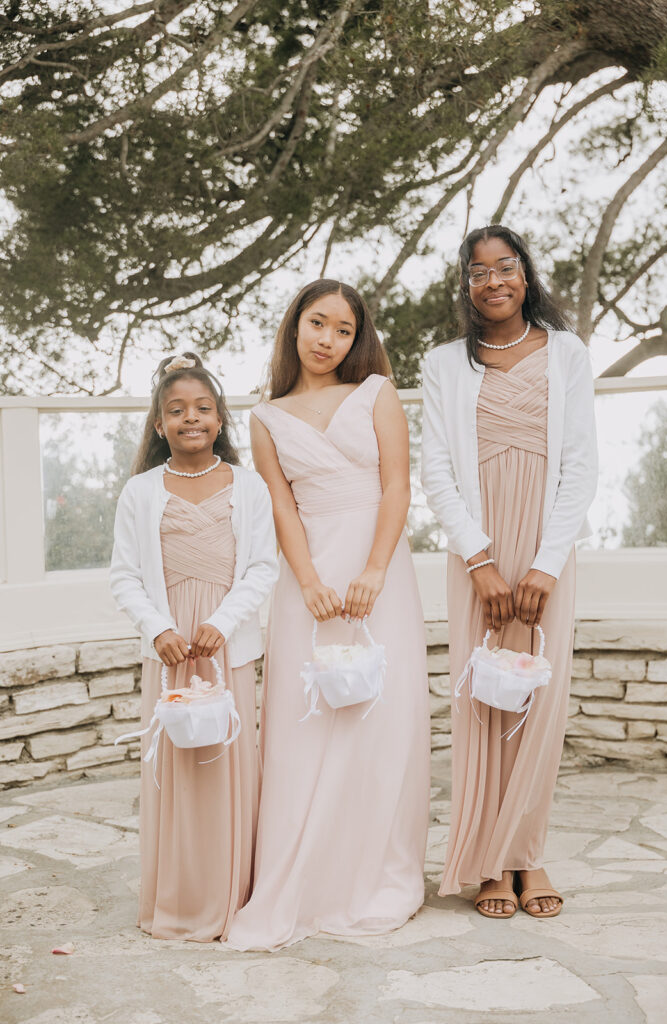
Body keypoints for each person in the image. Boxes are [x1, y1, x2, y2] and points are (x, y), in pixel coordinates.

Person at [227, 280, 431, 951]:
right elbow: (279, 507)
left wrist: (373, 569)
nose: (327, 340)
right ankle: (303, 878)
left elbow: (397, 484)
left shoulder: (376, 395)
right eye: (317, 323)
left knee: (380, 717)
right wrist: (308, 579)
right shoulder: (265, 417)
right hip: (307, 578)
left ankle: (372, 876)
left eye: (343, 330)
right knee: (305, 719)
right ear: (294, 326)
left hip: (379, 569)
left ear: (357, 338)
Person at [421, 226, 598, 919]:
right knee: (484, 699)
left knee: (539, 703)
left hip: (547, 544)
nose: (493, 280)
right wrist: (480, 560)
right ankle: (488, 863)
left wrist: (546, 564)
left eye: (505, 266)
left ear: (525, 275)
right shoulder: (443, 364)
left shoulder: (568, 354)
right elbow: (436, 469)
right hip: (478, 550)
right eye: (477, 271)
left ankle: (527, 853)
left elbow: (580, 464)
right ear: (464, 287)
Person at [110, 353, 278, 941]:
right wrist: (158, 629)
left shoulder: (249, 485)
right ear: (159, 424)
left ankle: (231, 896)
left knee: (227, 764)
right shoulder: (140, 492)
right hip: (172, 648)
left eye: (203, 409)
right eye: (176, 410)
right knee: (176, 768)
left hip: (224, 645)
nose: (191, 419)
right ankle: (179, 901)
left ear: (221, 419)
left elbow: (262, 566)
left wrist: (225, 622)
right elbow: (124, 575)